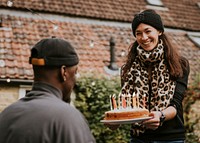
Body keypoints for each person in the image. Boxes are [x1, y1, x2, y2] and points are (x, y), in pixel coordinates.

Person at [107, 9, 190, 143]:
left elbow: (176, 103)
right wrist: (115, 122)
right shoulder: (128, 68)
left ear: (159, 31)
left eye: (148, 31)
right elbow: (127, 106)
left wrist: (161, 116)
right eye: (138, 33)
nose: (144, 37)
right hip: (139, 138)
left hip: (170, 138)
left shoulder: (179, 64)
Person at [0, 37, 96, 143]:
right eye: (75, 72)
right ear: (64, 72)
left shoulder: (6, 115)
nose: (75, 80)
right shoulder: (67, 118)